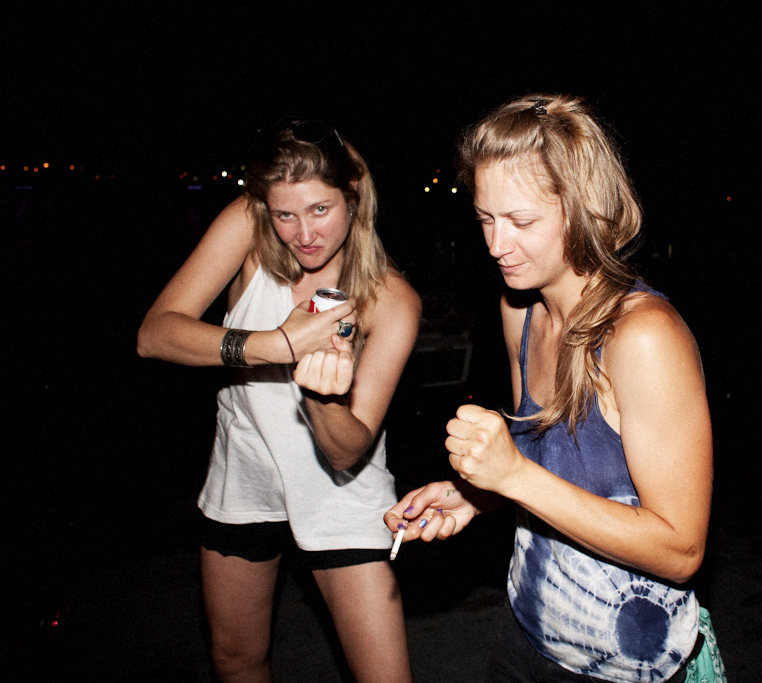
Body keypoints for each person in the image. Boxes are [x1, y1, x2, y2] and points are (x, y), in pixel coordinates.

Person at [385, 95, 726, 682]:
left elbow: (681, 550)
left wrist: (513, 476)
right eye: (485, 219)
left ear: (584, 209)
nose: (496, 245)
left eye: (521, 222)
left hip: (625, 663)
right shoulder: (520, 311)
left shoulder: (642, 338)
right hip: (528, 630)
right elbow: (548, 467)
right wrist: (478, 495)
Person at [138, 119, 419, 683]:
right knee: (236, 660)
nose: (303, 233)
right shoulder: (249, 225)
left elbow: (346, 452)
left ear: (353, 195)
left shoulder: (392, 299)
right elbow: (155, 334)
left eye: (320, 209)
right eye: (284, 214)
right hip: (244, 476)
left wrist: (318, 397)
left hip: (341, 493)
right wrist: (277, 345)